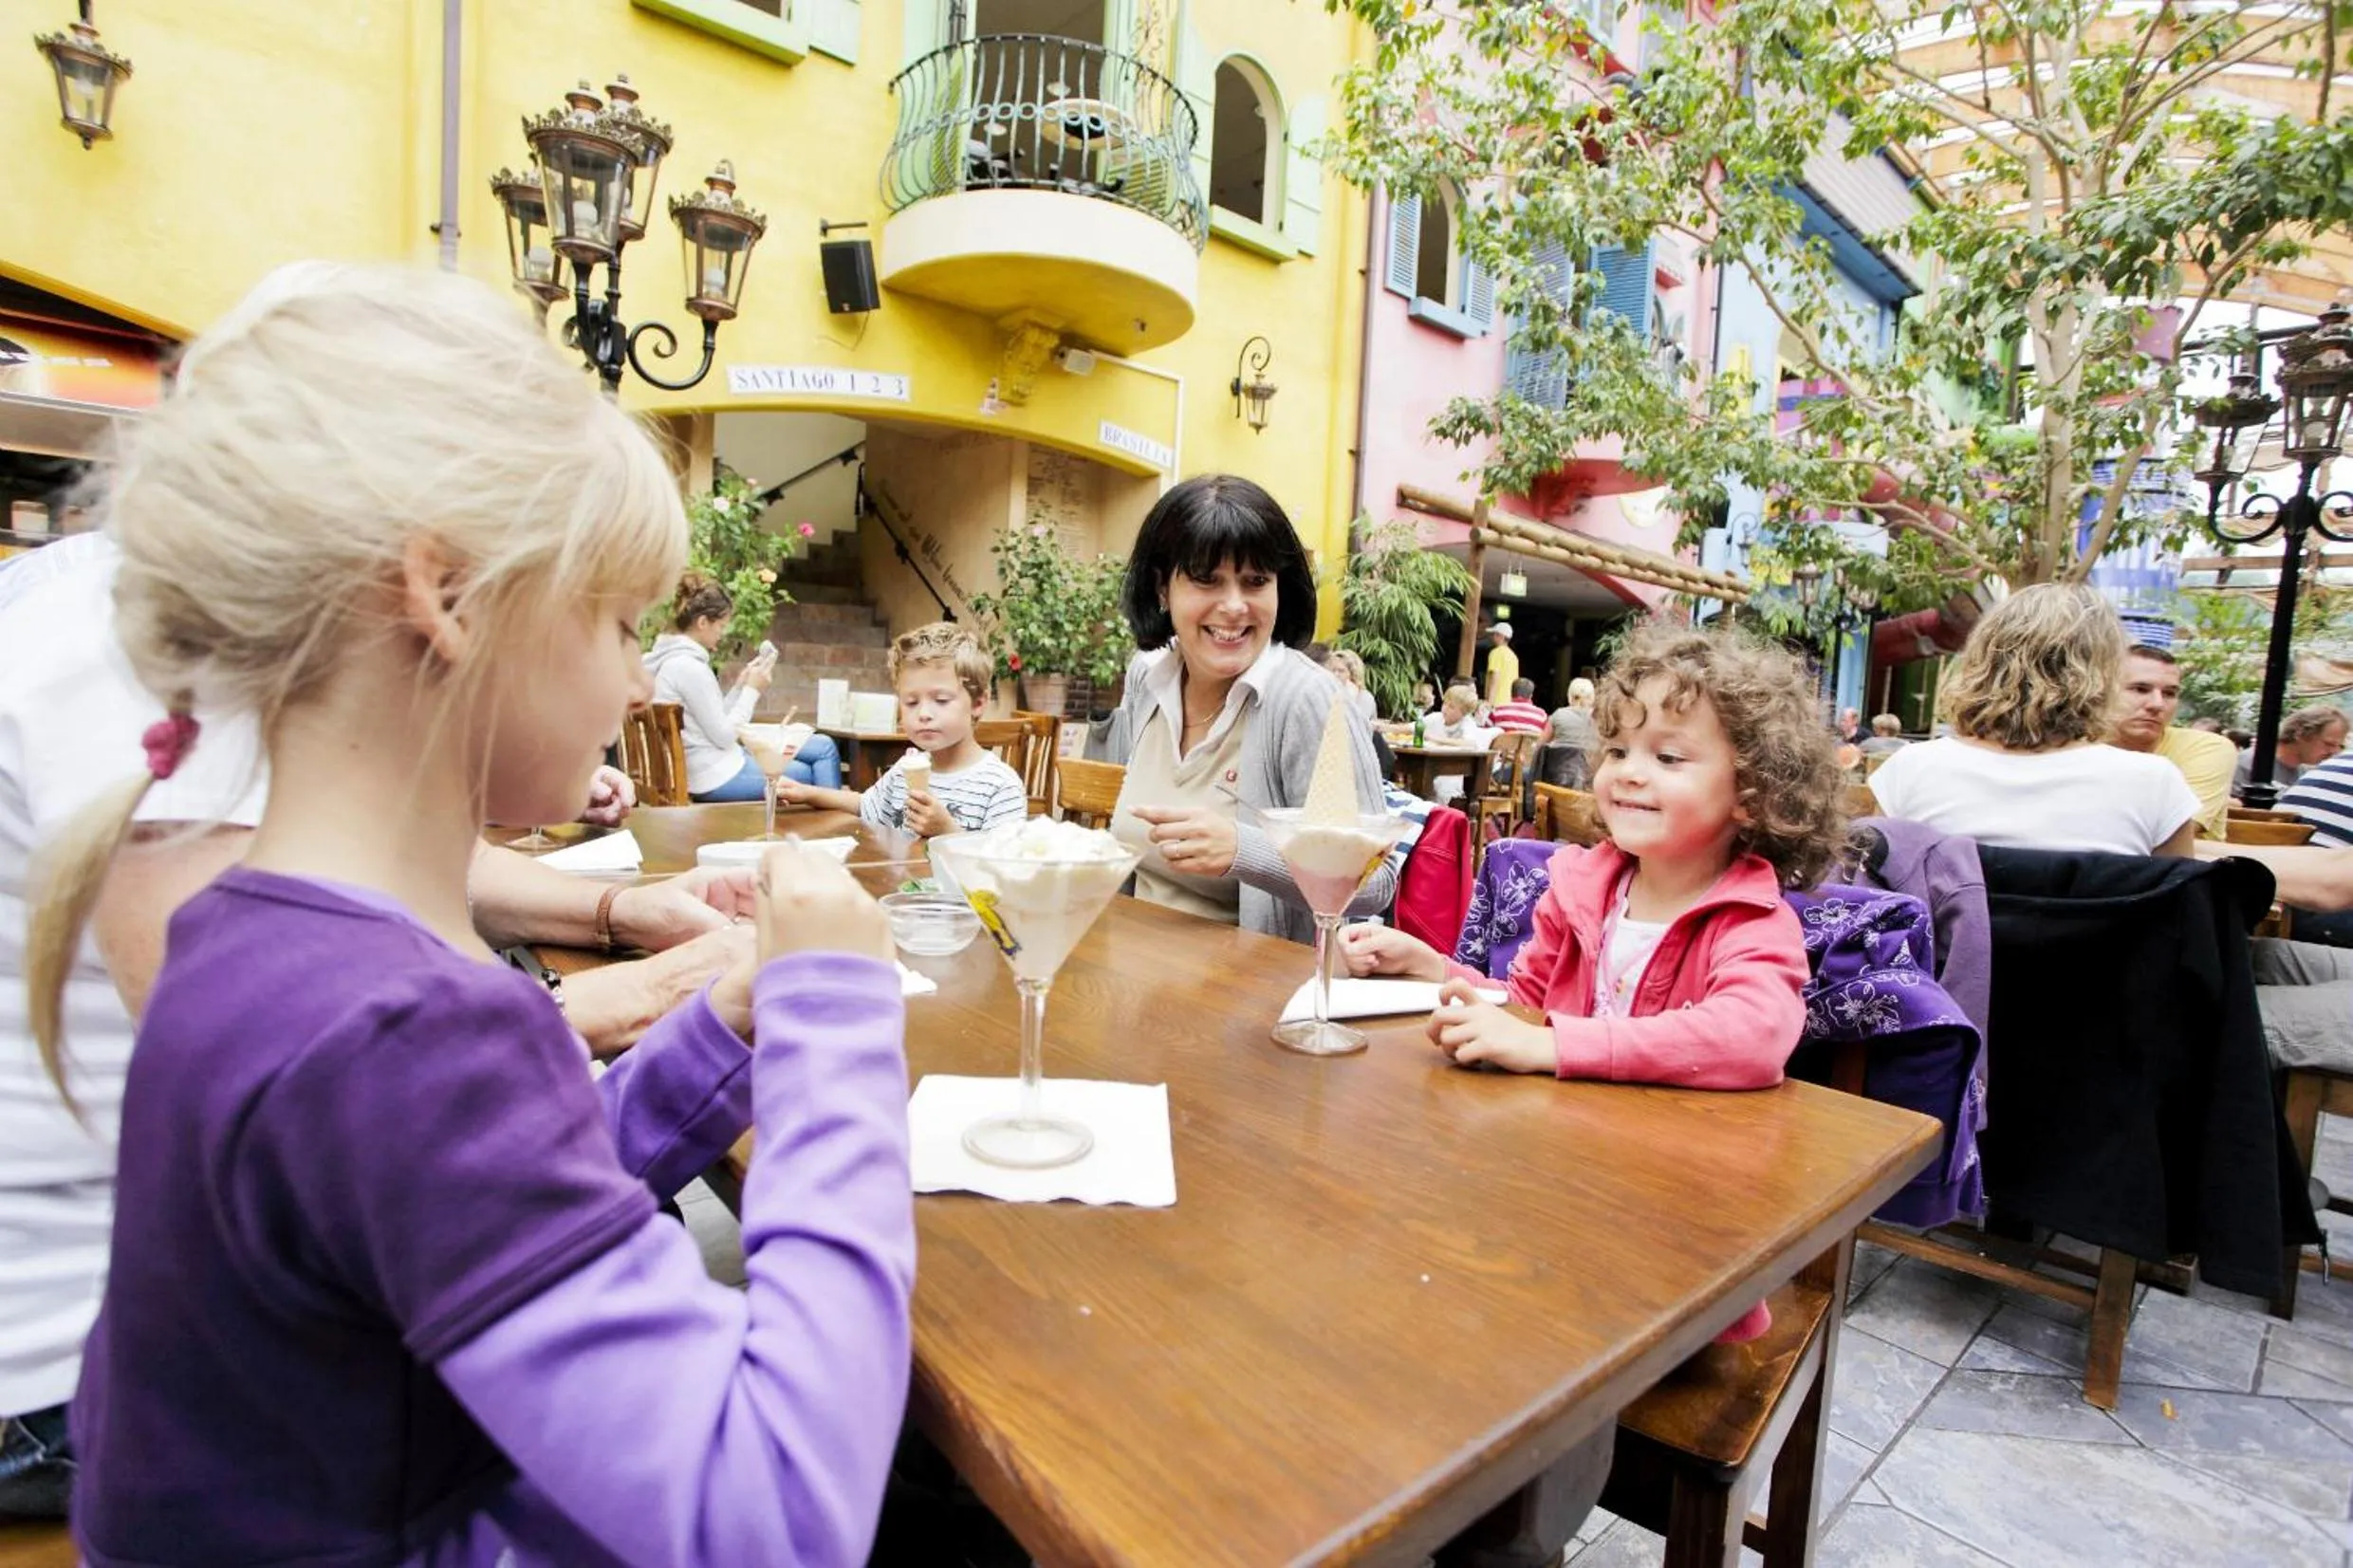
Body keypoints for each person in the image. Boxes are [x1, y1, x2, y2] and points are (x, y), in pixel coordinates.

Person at [28, 264, 913, 1563]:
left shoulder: (259, 947)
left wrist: (722, 1026)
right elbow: (774, 1512)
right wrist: (836, 1019)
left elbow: (480, 1198)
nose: (632, 674)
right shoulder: (402, 1027)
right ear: (446, 595)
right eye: (615, 619)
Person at [0, 530, 770, 1521]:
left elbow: (355, 859)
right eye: (616, 628)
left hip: (205, 1312)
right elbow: (303, 1056)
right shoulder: (131, 644)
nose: (634, 678)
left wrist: (615, 916)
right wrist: (625, 1007)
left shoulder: (242, 612)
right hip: (88, 1368)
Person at [1337, 622, 1844, 1340]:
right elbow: (1527, 1011)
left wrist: (1554, 1049)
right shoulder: (1581, 889)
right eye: (1617, 749)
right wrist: (1432, 968)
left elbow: (1754, 1036)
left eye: (1668, 755)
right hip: (1556, 1199)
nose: (1629, 770)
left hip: (1677, 1253)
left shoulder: (1749, 919)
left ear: (1753, 796)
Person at [1088, 473, 1394, 943]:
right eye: (1206, 580)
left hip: (1251, 995)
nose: (1234, 606)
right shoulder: (1146, 678)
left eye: (1255, 581)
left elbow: (1377, 879)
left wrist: (1242, 850)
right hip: (1130, 972)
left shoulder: (1306, 700)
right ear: (1162, 589)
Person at [1869, 584, 2200, 857]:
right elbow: (2182, 919)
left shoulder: (1913, 770)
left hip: (1951, 939)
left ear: (1985, 661)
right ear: (2106, 673)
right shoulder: (2156, 784)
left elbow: (1873, 904)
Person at [778, 621, 1027, 837]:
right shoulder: (904, 771)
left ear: (979, 703)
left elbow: (1003, 869)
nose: (924, 714)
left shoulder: (999, 786)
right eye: (911, 702)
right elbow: (866, 805)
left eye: (941, 700)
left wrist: (947, 831)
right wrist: (806, 792)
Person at [643, 572, 843, 799]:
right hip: (714, 776)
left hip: (715, 765)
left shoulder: (676, 662)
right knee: (808, 773)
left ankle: (826, 825)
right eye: (720, 626)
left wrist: (740, 686)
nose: (722, 633)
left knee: (822, 747)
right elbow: (726, 735)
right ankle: (835, 825)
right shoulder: (688, 668)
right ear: (702, 623)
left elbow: (714, 721)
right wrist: (752, 690)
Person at [2109, 643, 2235, 839]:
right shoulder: (2073, 748)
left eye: (2169, 693)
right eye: (2140, 689)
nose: (2157, 704)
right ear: (2100, 692)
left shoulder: (2206, 747)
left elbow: (2174, 834)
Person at [2236, 704, 2349, 799]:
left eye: (2340, 746)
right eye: (2329, 744)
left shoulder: (2305, 774)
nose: (2334, 751)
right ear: (2301, 734)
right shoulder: (2250, 762)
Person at [1543, 676, 1599, 790]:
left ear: (1570, 696)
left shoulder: (1558, 715)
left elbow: (1540, 746)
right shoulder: (1600, 719)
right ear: (1592, 697)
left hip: (1557, 782)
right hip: (1590, 784)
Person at [1323, 647, 1379, 724]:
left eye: (1341, 671)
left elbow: (1355, 727)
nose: (1335, 674)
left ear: (1352, 674)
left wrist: (1349, 698)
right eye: (1333, 670)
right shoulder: (1326, 692)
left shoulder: (1365, 697)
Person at [1482, 622, 1520, 708]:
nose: (1492, 637)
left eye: (1494, 634)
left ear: (1501, 636)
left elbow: (1495, 676)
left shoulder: (1496, 653)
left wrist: (1489, 702)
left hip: (1496, 702)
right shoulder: (1513, 656)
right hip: (1509, 703)